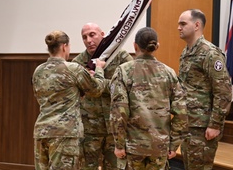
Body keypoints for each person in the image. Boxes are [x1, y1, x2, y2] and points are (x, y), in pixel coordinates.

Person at [109, 27, 188, 170]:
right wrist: (173, 144)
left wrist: (119, 144)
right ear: (157, 46)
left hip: (132, 147)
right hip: (160, 146)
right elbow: (181, 113)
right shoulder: (169, 73)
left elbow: (119, 112)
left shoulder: (123, 71)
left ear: (135, 46)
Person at [32, 30, 106, 170]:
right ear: (64, 46)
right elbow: (97, 89)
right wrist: (99, 70)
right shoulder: (73, 69)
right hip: (65, 133)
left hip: (41, 131)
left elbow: (41, 96)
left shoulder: (38, 70)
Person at [72, 23, 133, 170]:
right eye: (84, 37)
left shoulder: (121, 57)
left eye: (92, 35)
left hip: (115, 126)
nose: (88, 40)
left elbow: (131, 85)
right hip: (90, 127)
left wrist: (99, 83)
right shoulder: (78, 63)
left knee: (114, 167)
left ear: (102, 35)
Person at [177, 9, 232, 170]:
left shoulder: (210, 53)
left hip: (203, 126)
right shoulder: (186, 52)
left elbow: (224, 91)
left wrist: (215, 124)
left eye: (183, 24)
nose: (178, 27)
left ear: (196, 25)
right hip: (189, 123)